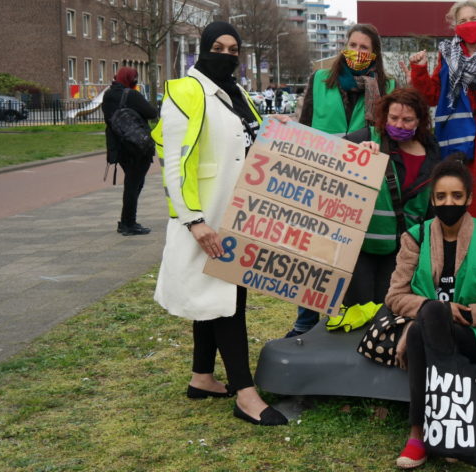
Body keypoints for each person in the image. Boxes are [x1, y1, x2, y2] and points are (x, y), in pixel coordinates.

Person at [152, 21, 286, 426]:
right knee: (228, 303)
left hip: (238, 212)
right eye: (219, 47)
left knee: (217, 298)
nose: (227, 55)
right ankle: (246, 395)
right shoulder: (185, 92)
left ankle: (202, 377)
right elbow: (173, 164)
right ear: (203, 48)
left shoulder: (238, 92)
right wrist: (194, 221)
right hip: (208, 217)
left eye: (234, 49)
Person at [384, 156, 476, 469]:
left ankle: (417, 434)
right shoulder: (415, 238)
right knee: (427, 324)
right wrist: (439, 309)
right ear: (433, 200)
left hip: (475, 334)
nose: (449, 203)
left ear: (470, 199)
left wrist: (469, 313)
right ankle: (444, 431)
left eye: (457, 196)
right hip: (428, 331)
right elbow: (395, 296)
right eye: (441, 196)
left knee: (423, 331)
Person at [286, 23, 393, 337]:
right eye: (353, 45)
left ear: (375, 54)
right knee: (314, 250)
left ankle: (351, 312)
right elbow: (305, 123)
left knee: (349, 253)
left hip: (362, 182)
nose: (358, 52)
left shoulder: (387, 84)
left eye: (365, 48)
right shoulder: (321, 80)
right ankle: (305, 322)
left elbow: (389, 131)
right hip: (322, 177)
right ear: (344, 46)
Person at [303, 89, 439, 333]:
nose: (399, 124)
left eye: (407, 120)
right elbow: (324, 164)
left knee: (390, 314)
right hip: (361, 249)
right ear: (384, 116)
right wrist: (354, 155)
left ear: (420, 120)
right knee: (358, 317)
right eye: (393, 118)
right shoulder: (365, 138)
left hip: (402, 251)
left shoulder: (432, 151)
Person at [409, 0, 476, 224]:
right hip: (460, 147)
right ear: (455, 27)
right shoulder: (448, 56)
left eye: (474, 19)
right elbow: (431, 96)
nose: (469, 24)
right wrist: (419, 70)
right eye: (463, 21)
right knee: (466, 206)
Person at [102, 66, 158, 236]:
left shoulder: (108, 95)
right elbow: (151, 113)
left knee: (133, 183)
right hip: (137, 148)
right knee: (133, 185)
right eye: (135, 79)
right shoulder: (131, 95)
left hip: (119, 147)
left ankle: (126, 221)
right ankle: (128, 223)